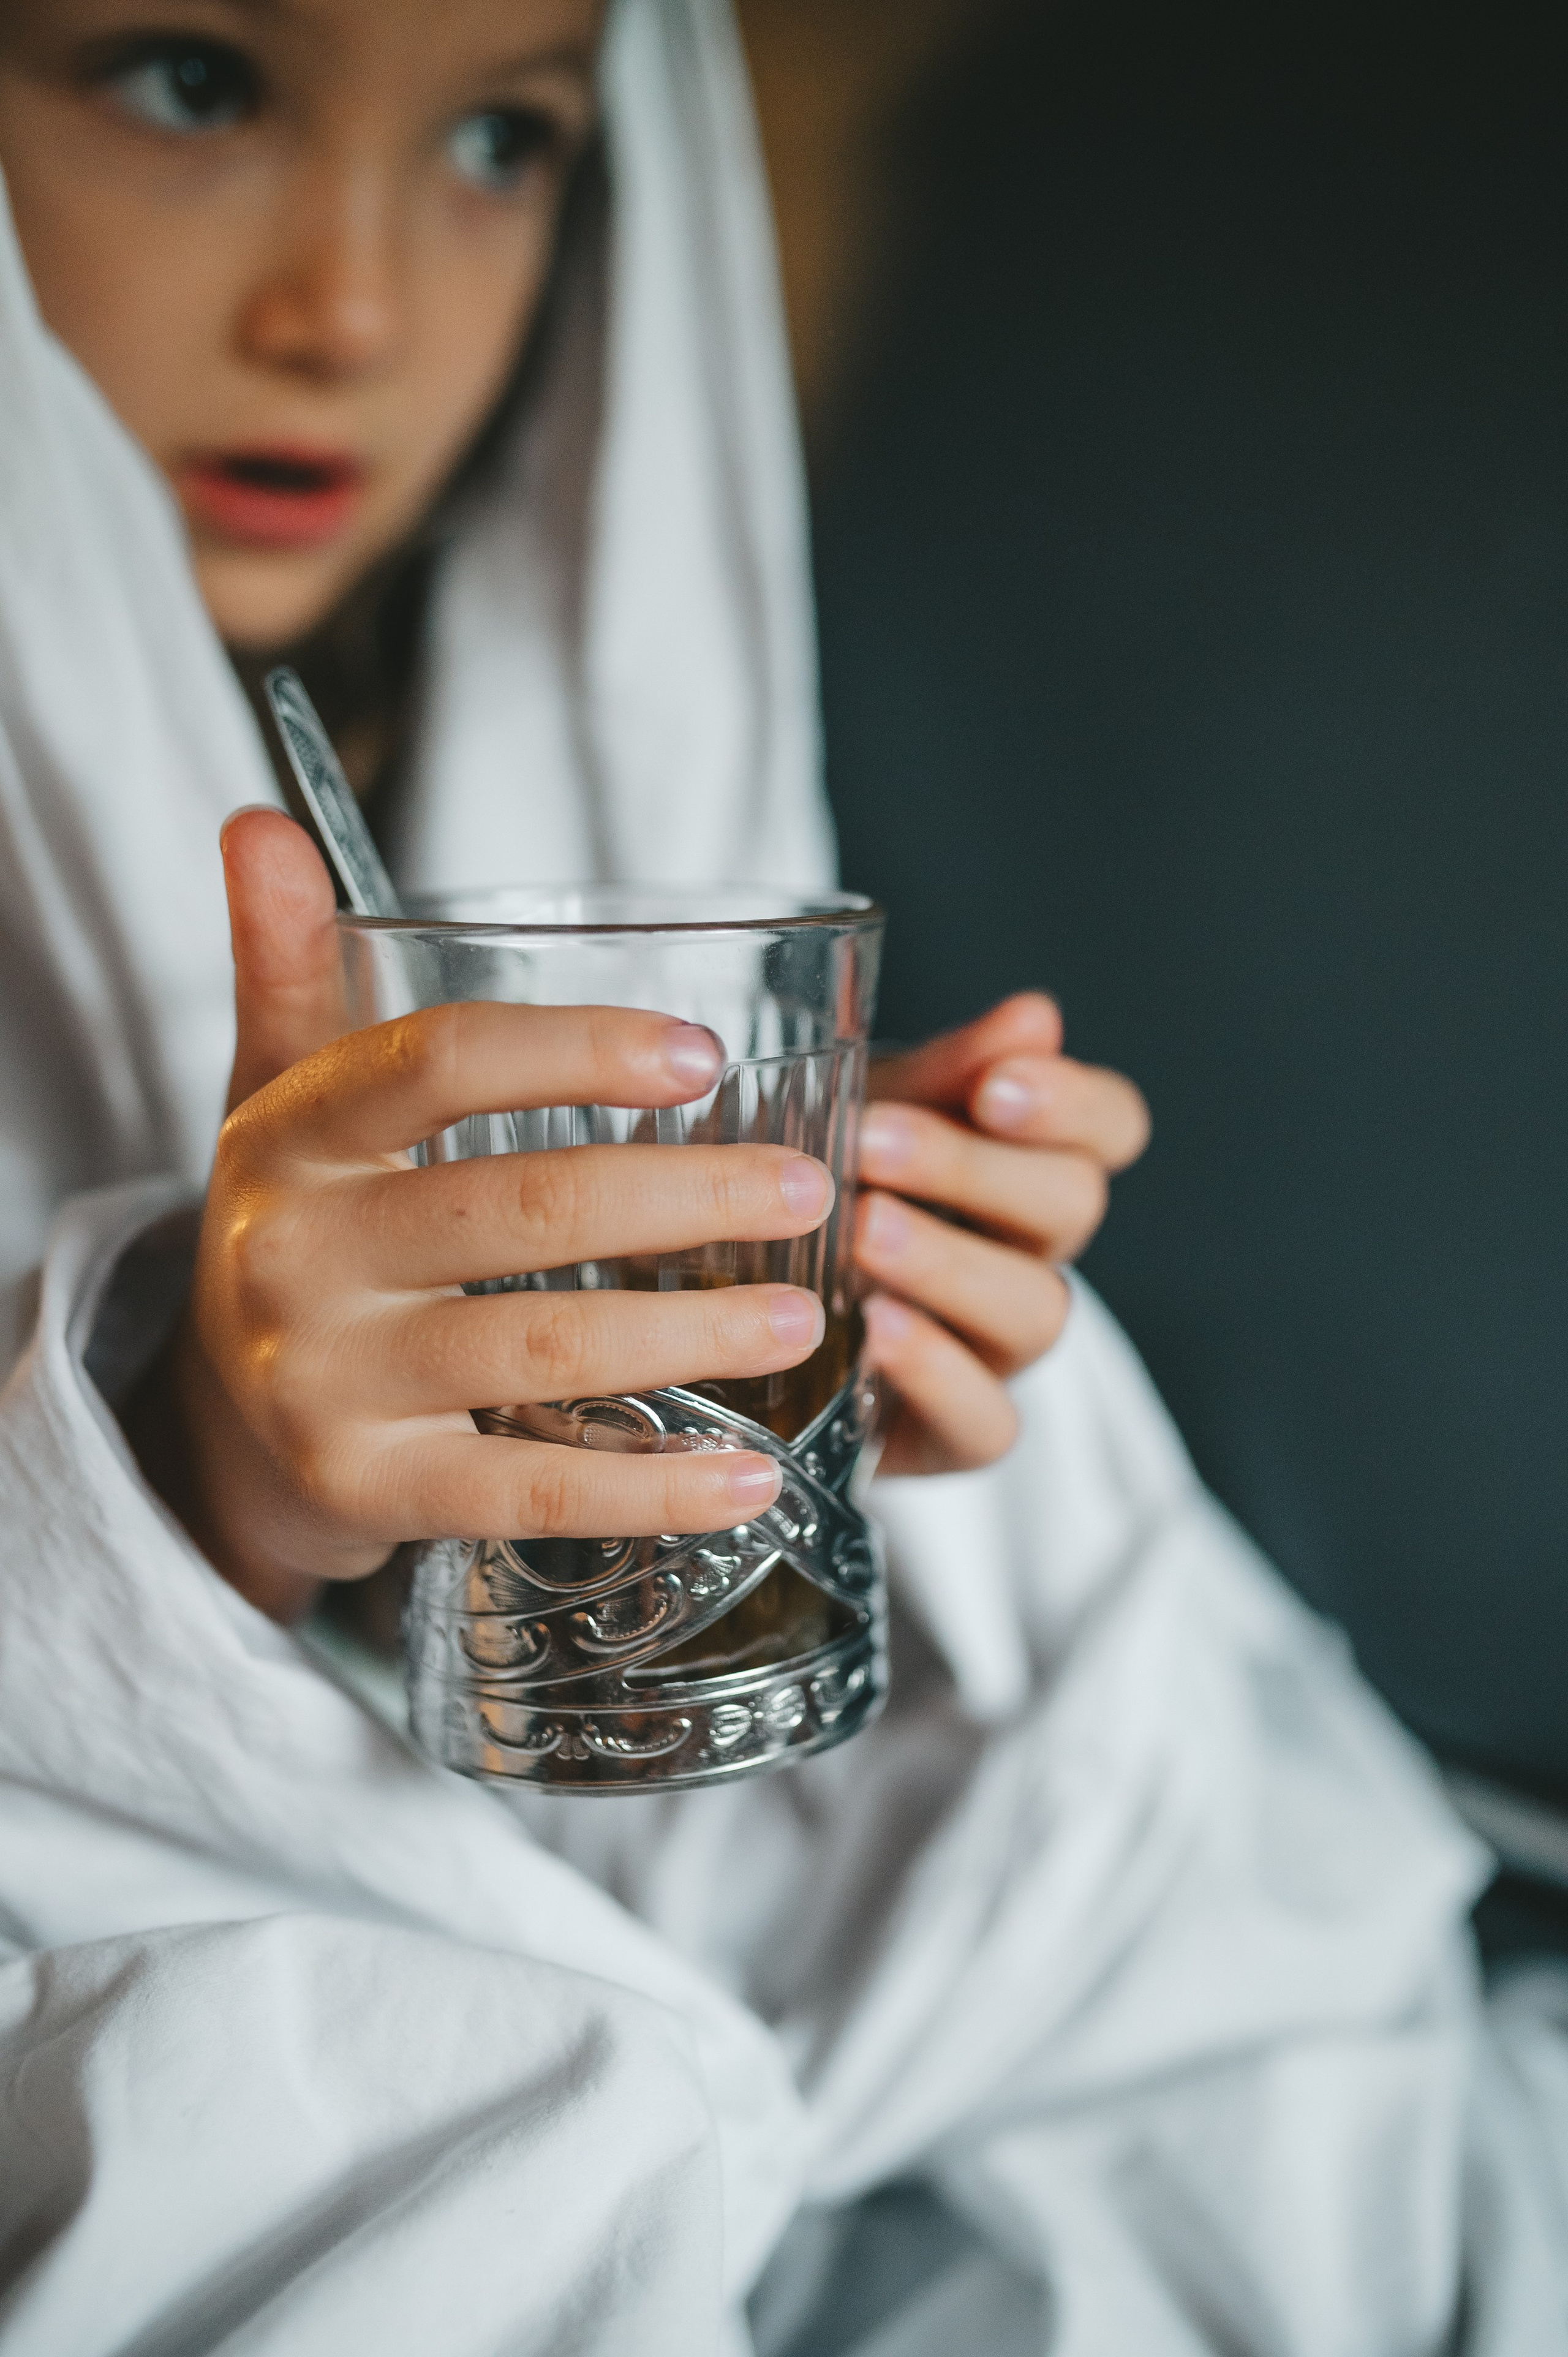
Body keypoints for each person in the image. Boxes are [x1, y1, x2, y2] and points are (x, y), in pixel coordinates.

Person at [0, 2, 1564, 2352]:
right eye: (195, 85)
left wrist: (927, 1324)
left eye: (503, 136)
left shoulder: (570, 798)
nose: (354, 302)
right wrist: (171, 1466)